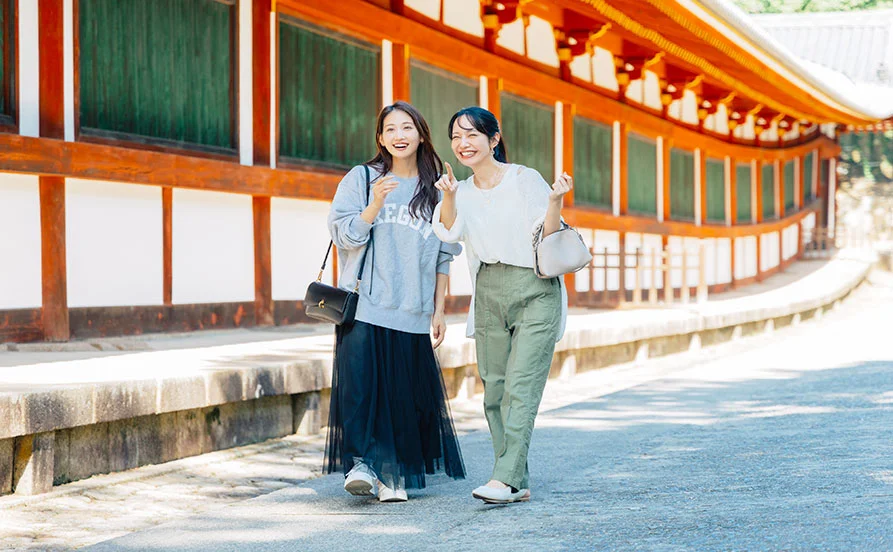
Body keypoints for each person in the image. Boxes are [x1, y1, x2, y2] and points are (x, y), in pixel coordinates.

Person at [325, 101, 466, 503]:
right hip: (364, 301)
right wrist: (373, 204)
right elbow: (344, 237)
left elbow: (445, 250)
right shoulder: (361, 177)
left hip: (413, 307)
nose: (399, 135)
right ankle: (363, 466)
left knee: (402, 395)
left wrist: (439, 309)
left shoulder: (436, 184)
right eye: (390, 129)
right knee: (363, 388)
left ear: (421, 134)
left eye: (407, 128)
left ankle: (393, 476)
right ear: (380, 138)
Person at [431, 106, 572, 504]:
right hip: (488, 289)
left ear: (494, 140)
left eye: (473, 135)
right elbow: (448, 232)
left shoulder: (523, 178)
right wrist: (448, 195)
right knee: (494, 391)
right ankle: (516, 480)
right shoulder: (463, 190)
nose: (463, 143)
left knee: (521, 388)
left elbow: (547, 232)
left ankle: (504, 479)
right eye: (457, 136)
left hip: (534, 287)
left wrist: (555, 201)